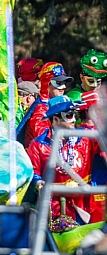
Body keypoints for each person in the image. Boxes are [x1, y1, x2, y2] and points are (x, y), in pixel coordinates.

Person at [26, 95, 105, 224]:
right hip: (55, 207)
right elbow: (34, 173)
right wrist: (39, 183)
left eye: (74, 114)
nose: (74, 119)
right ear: (55, 119)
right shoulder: (39, 145)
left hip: (84, 203)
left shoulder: (85, 137)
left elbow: (103, 142)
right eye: (68, 116)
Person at [22, 62, 73, 145]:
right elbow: (43, 138)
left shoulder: (57, 103)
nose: (64, 87)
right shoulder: (41, 108)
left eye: (64, 83)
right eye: (59, 83)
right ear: (47, 83)